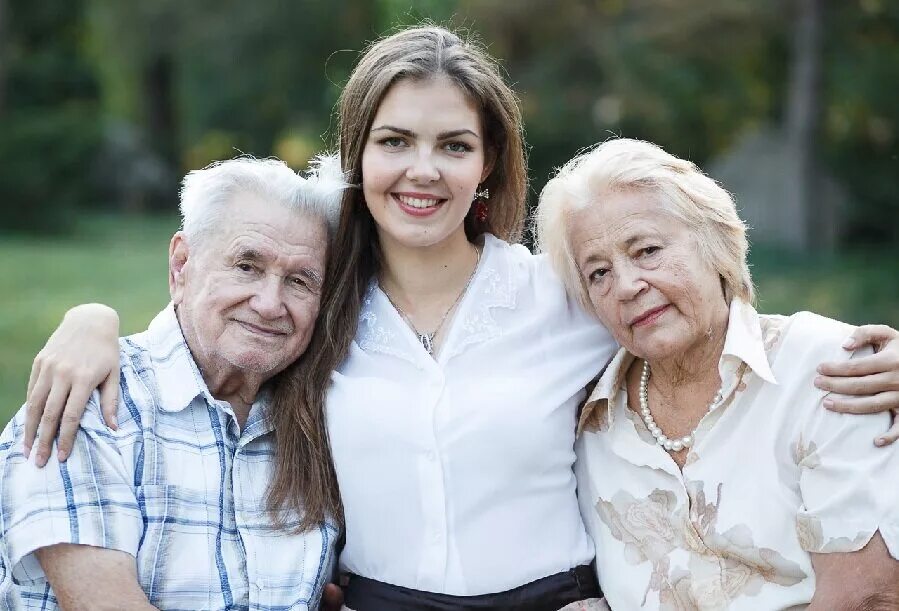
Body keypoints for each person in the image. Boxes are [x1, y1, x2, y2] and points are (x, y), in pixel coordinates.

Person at [15, 26, 899, 611]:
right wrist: (92, 321)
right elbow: (217, 316)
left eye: (454, 145)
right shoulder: (318, 304)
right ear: (357, 154)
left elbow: (689, 308)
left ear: (488, 165)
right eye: (395, 141)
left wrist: (866, 355)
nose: (421, 170)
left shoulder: (562, 292)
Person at [535, 137, 899, 609]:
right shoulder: (587, 416)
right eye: (598, 273)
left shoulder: (827, 368)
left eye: (646, 250)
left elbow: (867, 597)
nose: (625, 286)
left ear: (716, 242)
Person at [0, 156, 345, 610]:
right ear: (182, 263)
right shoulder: (89, 401)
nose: (268, 303)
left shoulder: (323, 424)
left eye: (300, 281)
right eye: (246, 266)